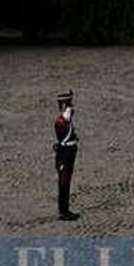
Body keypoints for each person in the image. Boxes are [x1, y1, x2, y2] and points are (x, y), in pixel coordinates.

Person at [54, 90, 79, 221]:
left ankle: (65, 209)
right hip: (64, 154)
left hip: (69, 152)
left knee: (66, 183)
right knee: (63, 183)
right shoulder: (61, 122)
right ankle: (63, 211)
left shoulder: (66, 120)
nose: (71, 108)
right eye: (68, 105)